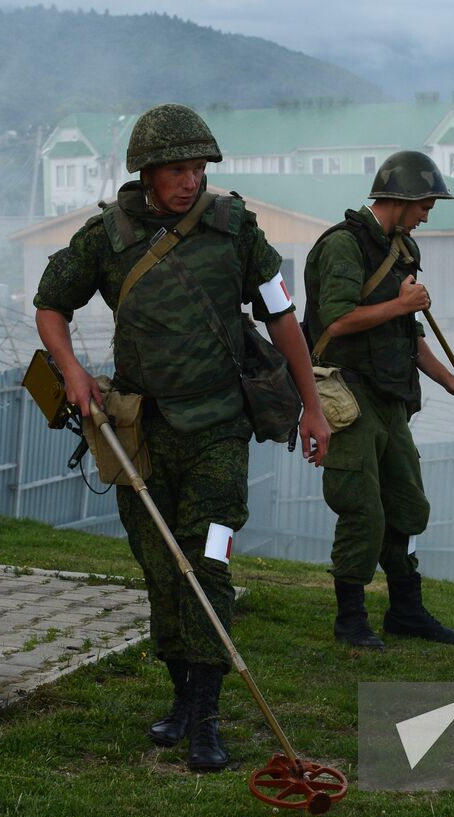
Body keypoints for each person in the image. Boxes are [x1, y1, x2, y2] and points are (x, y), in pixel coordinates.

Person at [34, 104, 330, 771]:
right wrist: (73, 371)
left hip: (219, 435)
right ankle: (179, 699)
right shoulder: (105, 238)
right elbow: (50, 306)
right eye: (177, 170)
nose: (190, 181)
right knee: (160, 568)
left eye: (198, 169)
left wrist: (312, 407)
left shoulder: (235, 230)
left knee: (211, 559)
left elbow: (283, 320)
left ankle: (207, 717)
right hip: (140, 437)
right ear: (147, 171)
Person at [303, 150, 454, 649]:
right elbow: (335, 320)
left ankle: (405, 610)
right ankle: (351, 619)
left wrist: (452, 383)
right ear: (400, 199)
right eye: (425, 203)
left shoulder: (402, 248)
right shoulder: (343, 247)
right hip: (348, 393)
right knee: (362, 511)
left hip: (391, 397)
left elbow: (407, 332)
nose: (428, 213)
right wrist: (401, 302)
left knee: (407, 507)